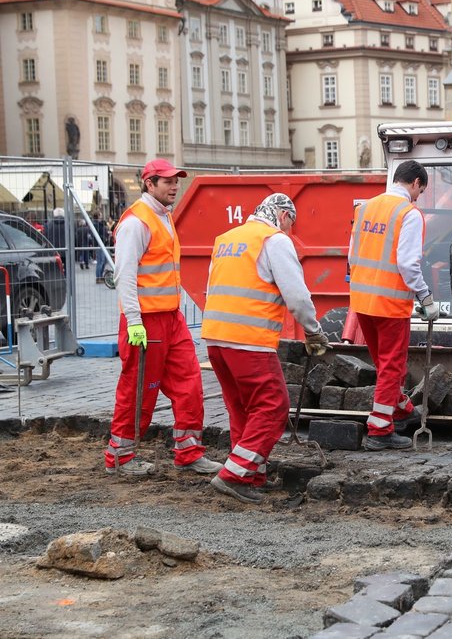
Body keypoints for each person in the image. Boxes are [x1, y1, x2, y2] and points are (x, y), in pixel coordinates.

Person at [202, 193, 330, 504]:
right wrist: (313, 332)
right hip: (249, 340)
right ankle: (234, 474)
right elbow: (297, 297)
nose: (289, 229)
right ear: (284, 215)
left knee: (242, 409)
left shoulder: (227, 238)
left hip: (216, 339)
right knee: (273, 406)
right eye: (291, 223)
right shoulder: (274, 240)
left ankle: (250, 475)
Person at [104, 159, 222, 477]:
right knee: (140, 388)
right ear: (149, 183)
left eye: (176, 181)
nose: (175, 187)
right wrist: (134, 321)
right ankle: (120, 457)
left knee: (190, 384)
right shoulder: (136, 223)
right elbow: (124, 276)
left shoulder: (164, 217)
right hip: (146, 322)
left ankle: (188, 451)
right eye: (168, 182)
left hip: (171, 318)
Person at [348, 159, 435, 450]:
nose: (418, 196)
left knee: (383, 363)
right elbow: (408, 265)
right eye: (420, 191)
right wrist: (425, 296)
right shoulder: (408, 213)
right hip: (390, 304)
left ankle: (401, 409)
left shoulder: (364, 208)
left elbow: (351, 257)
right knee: (391, 367)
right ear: (416, 184)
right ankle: (380, 429)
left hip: (362, 301)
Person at [91, 210, 110, 284]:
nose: (102, 216)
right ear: (98, 216)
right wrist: (104, 236)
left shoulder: (100, 223)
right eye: (100, 215)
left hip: (103, 243)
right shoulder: (96, 224)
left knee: (104, 261)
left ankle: (100, 276)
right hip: (99, 244)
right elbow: (97, 234)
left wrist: (107, 234)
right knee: (100, 261)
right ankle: (98, 277)